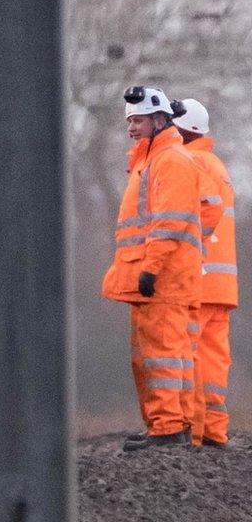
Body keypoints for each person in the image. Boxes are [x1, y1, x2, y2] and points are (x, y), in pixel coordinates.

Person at [102, 87, 211, 451]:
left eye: (139, 120)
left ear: (160, 120)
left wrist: (150, 268)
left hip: (161, 278)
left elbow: (169, 221)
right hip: (156, 276)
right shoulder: (153, 160)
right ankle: (169, 426)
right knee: (164, 353)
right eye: (130, 121)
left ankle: (168, 428)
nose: (132, 127)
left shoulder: (170, 161)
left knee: (162, 353)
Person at [172, 99, 237, 448]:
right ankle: (213, 429)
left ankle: (195, 432)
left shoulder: (189, 162)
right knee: (214, 357)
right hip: (223, 284)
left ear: (183, 129)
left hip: (197, 277)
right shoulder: (216, 164)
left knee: (191, 354)